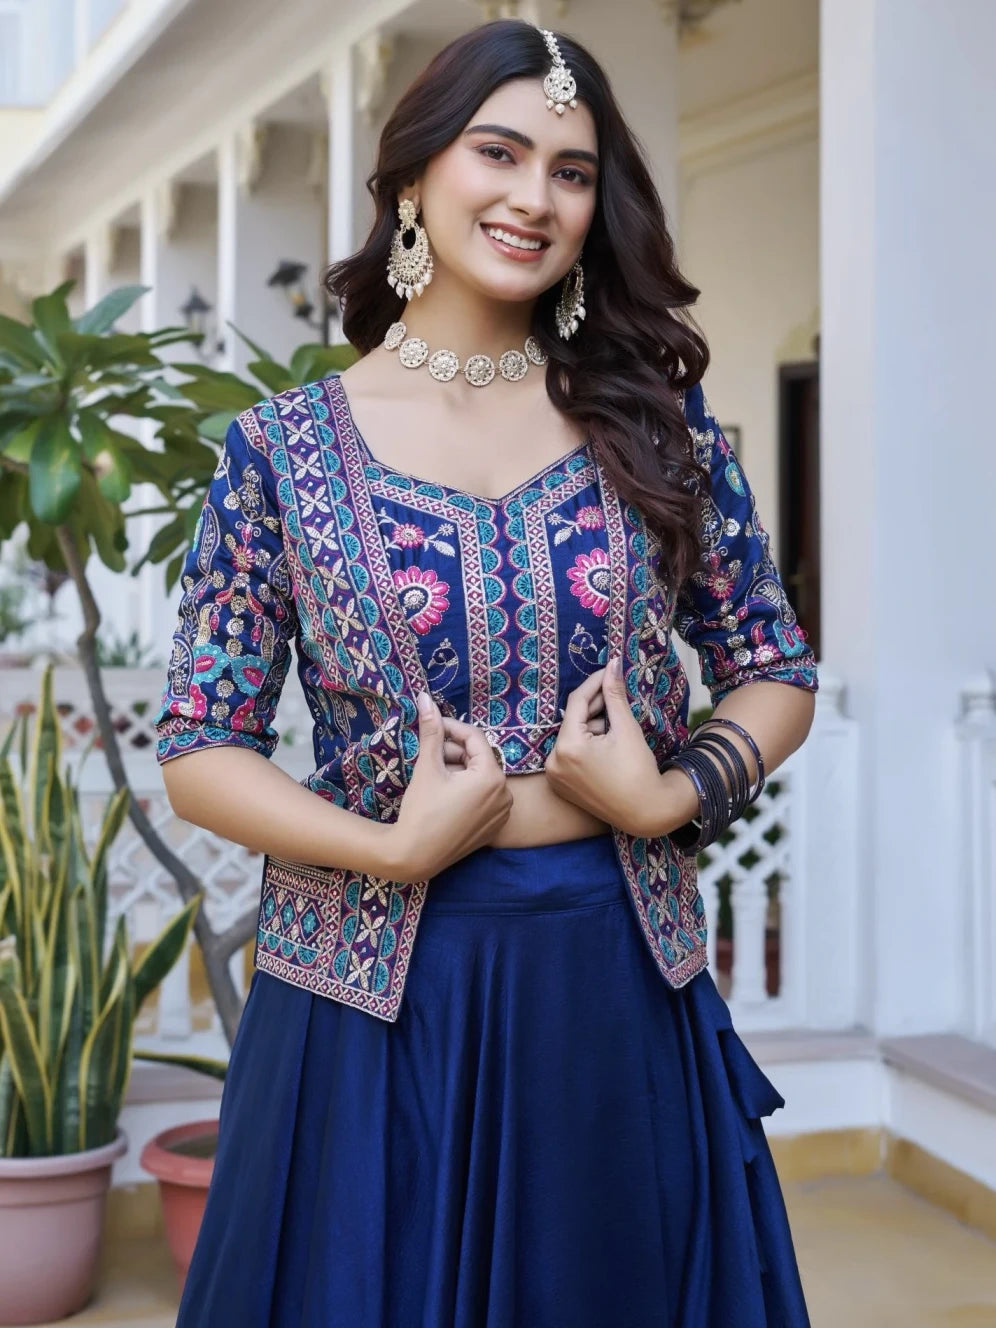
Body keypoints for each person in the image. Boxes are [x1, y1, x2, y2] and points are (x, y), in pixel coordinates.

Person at [155, 19, 818, 1327]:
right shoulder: (279, 454)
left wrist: (667, 799)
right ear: (414, 175)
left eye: (571, 171)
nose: (534, 197)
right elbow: (200, 747)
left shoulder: (656, 427)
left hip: (613, 980)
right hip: (366, 1001)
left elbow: (773, 668)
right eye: (498, 153)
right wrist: (389, 849)